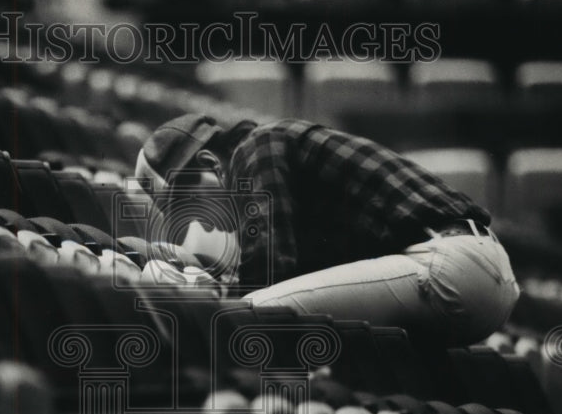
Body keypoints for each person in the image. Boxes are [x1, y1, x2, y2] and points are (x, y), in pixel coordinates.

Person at [134, 114, 520, 346]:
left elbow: (271, 259)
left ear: (208, 161)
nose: (200, 221)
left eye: (188, 204)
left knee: (245, 319)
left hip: (450, 266)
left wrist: (209, 299)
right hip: (483, 275)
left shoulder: (253, 147)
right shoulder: (279, 155)